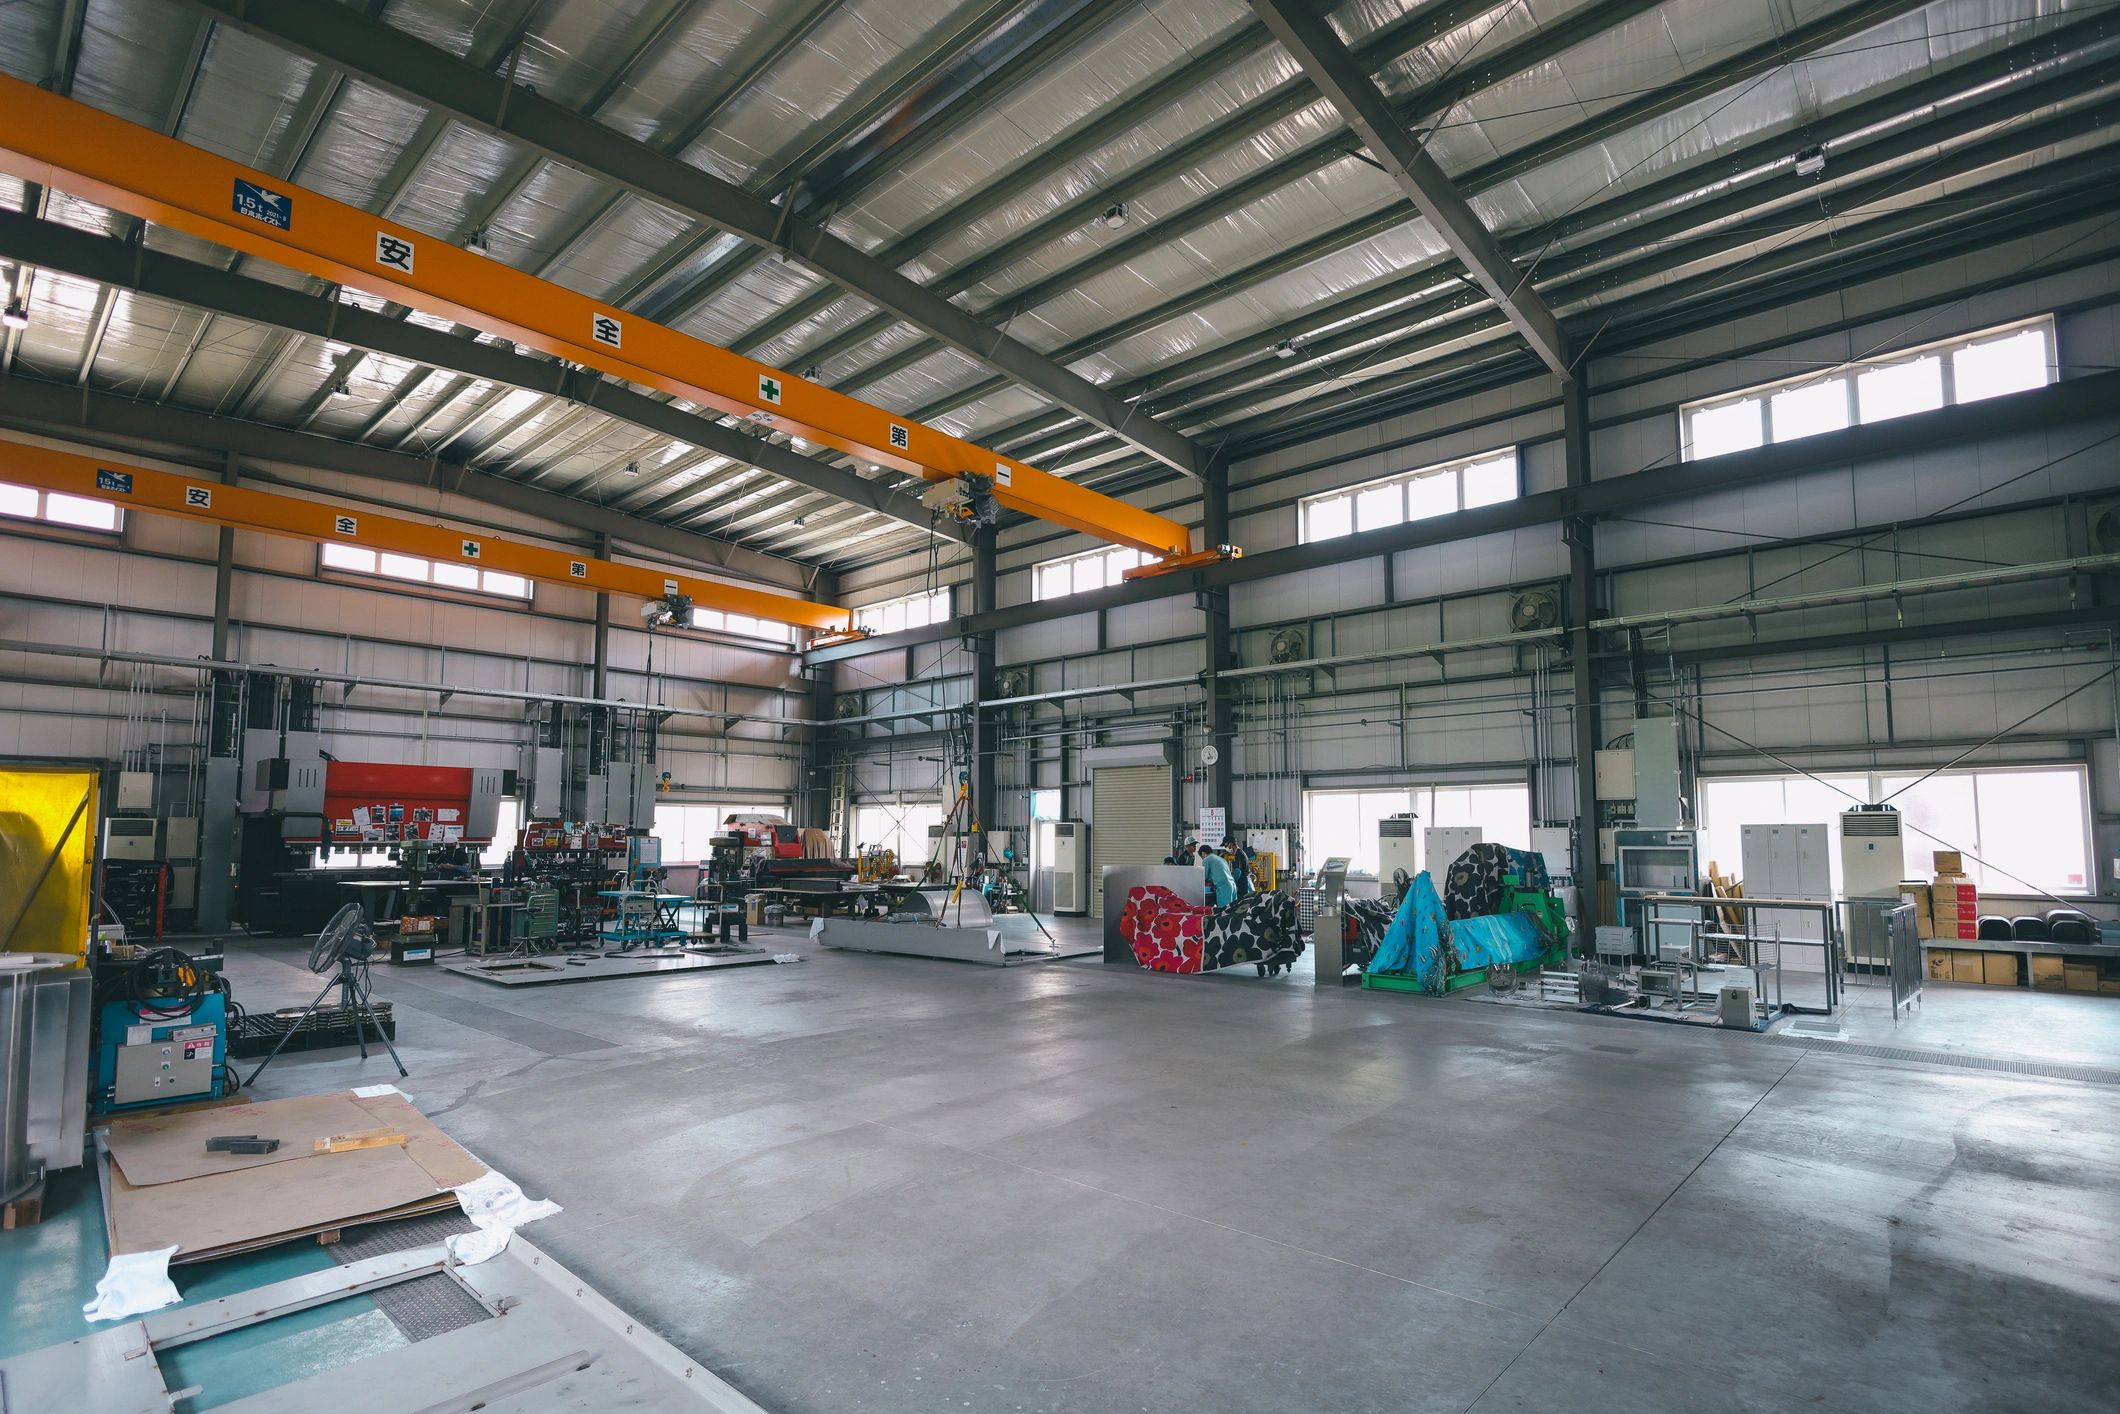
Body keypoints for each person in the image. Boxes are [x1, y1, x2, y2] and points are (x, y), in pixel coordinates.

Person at [1201, 844, 1236, 908]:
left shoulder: (1206, 859)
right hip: (1233, 885)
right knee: (1233, 910)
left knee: (1224, 911)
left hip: (1224, 888)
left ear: (1203, 853)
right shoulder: (1220, 859)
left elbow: (1204, 876)